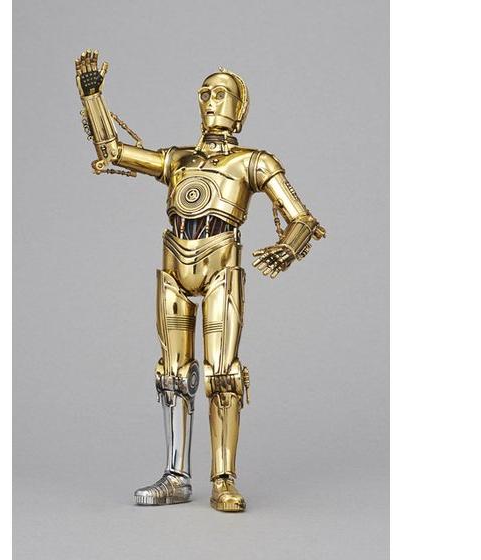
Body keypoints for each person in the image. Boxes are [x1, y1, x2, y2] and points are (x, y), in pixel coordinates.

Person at [75, 49, 326, 512]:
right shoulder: (179, 160)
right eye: (205, 93)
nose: (210, 100)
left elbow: (302, 217)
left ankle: (224, 479)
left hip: (220, 266)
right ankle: (176, 476)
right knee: (172, 374)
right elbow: (113, 152)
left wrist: (287, 247)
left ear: (239, 107)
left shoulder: (254, 162)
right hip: (175, 263)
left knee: (223, 374)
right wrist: (93, 98)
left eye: (221, 93)